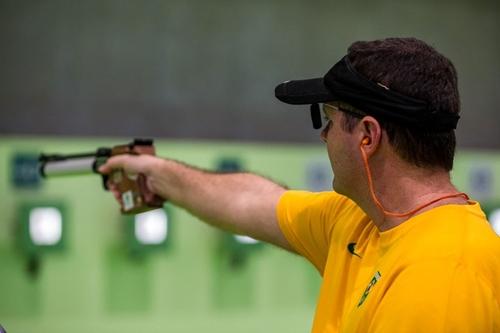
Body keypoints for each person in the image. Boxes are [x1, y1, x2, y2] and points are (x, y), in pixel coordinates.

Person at [99, 37, 500, 332]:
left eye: (327, 119)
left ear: (367, 137)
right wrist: (158, 174)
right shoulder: (361, 220)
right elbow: (251, 202)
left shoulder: (442, 275)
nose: (323, 135)